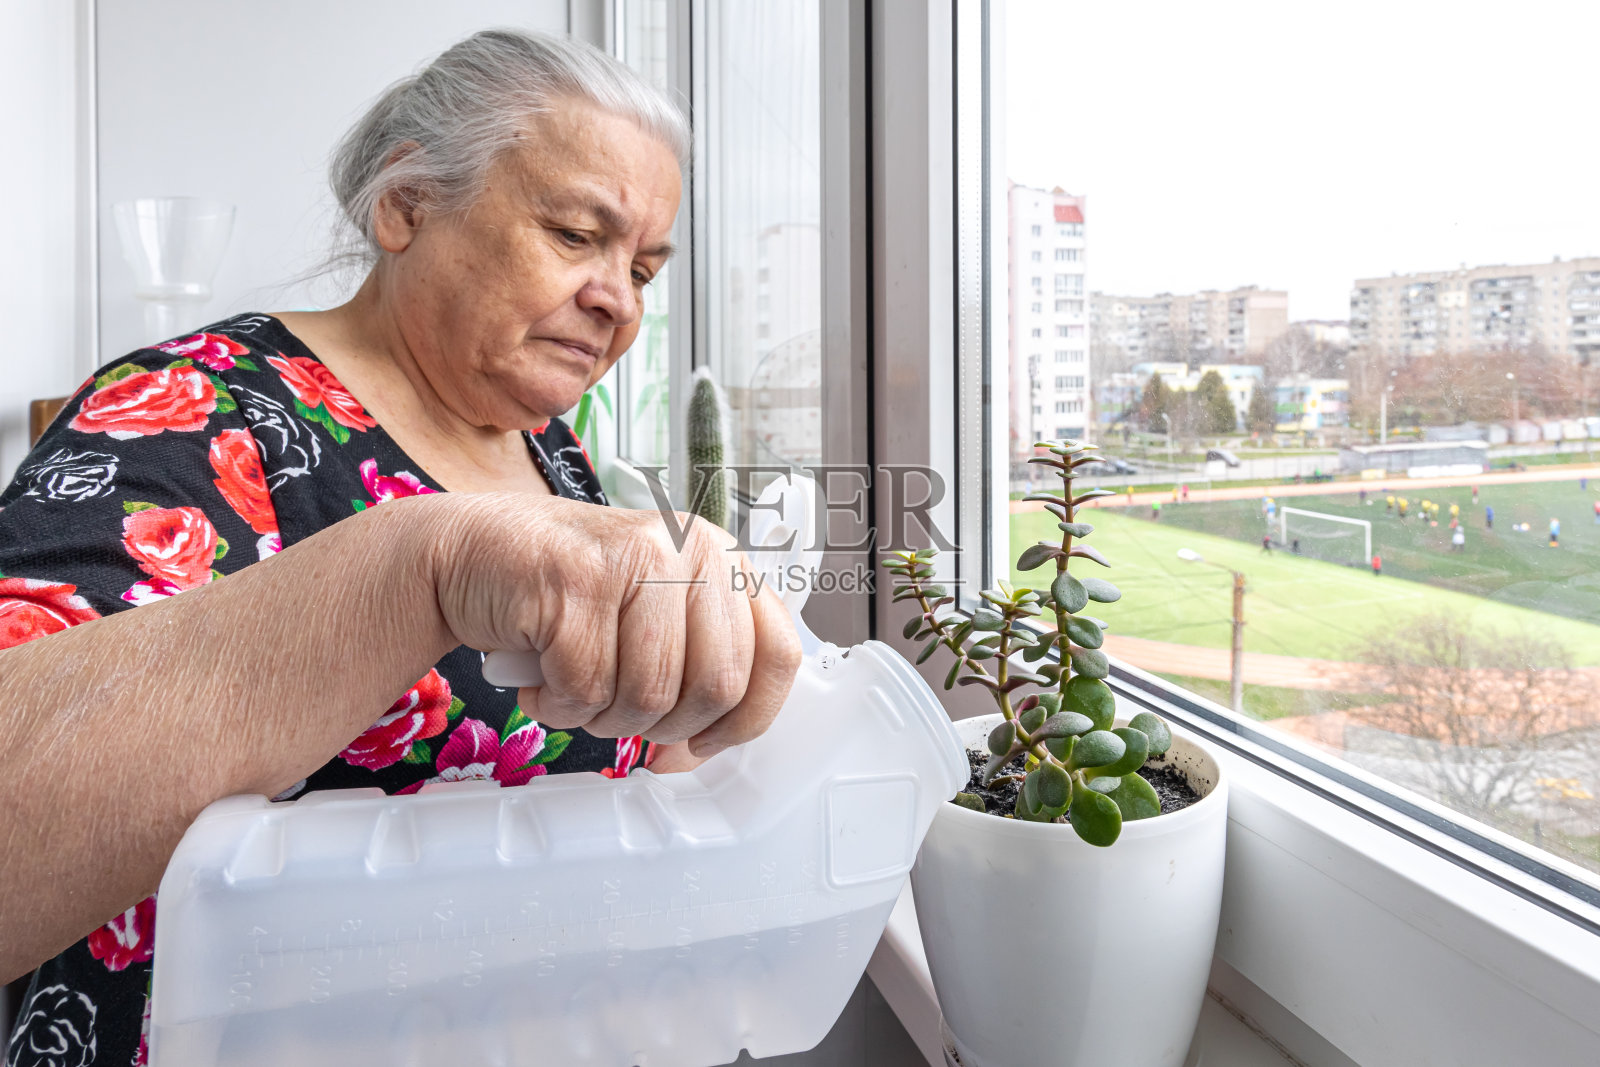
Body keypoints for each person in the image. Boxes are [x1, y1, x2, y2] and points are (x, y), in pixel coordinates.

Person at [0, 30, 801, 1058]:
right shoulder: (190, 413)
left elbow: (625, 769)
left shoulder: (553, 455)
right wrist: (415, 563)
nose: (619, 300)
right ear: (405, 206)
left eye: (643, 267)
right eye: (571, 234)